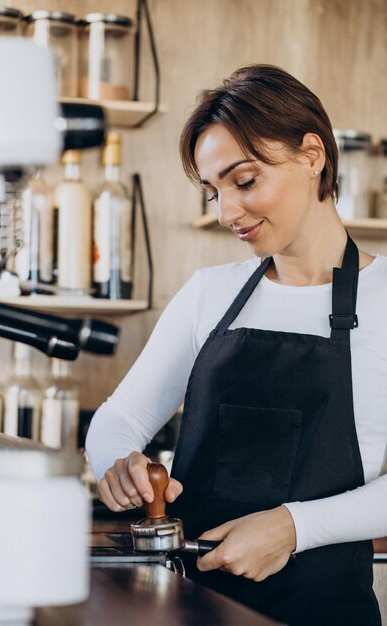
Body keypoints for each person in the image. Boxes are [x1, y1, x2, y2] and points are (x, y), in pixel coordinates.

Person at [86, 65, 387, 626]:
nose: (226, 213)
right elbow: (119, 417)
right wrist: (117, 462)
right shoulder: (210, 294)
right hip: (191, 607)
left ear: (313, 155)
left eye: (244, 181)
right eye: (213, 191)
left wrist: (293, 527)